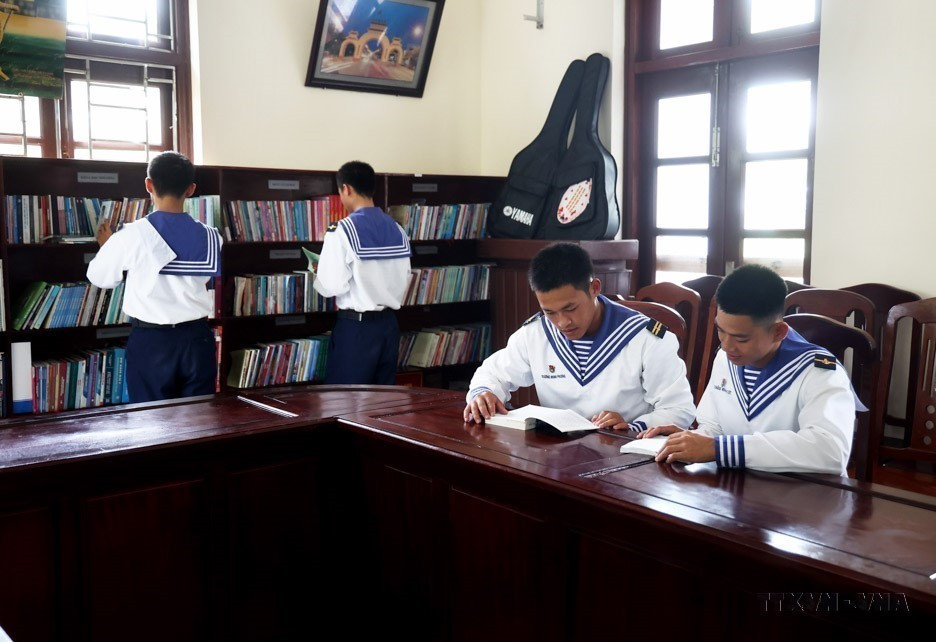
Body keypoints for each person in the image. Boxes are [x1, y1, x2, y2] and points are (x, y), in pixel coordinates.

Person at [641, 264, 856, 475]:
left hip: (804, 497)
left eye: (741, 338)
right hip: (737, 489)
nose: (726, 345)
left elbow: (830, 451)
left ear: (779, 332)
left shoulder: (819, 371)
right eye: (720, 331)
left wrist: (718, 448)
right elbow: (715, 427)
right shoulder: (726, 358)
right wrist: (691, 439)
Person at [464, 242, 695, 431]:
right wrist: (484, 392)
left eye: (571, 308)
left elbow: (679, 409)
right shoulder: (536, 333)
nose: (562, 322)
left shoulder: (646, 338)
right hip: (556, 460)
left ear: (595, 288)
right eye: (549, 312)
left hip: (625, 461)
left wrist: (634, 426)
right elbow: (492, 373)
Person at [87, 151, 221, 402]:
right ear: (191, 189)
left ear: (149, 185)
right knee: (198, 420)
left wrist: (108, 247)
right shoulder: (213, 236)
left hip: (152, 341)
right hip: (197, 339)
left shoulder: (130, 235)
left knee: (151, 424)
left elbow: (101, 278)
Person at [311, 160, 411, 384]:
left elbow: (332, 286)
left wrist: (318, 273)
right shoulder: (397, 229)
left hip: (356, 328)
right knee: (381, 404)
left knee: (345, 403)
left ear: (346, 189)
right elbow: (404, 278)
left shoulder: (341, 231)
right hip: (388, 326)